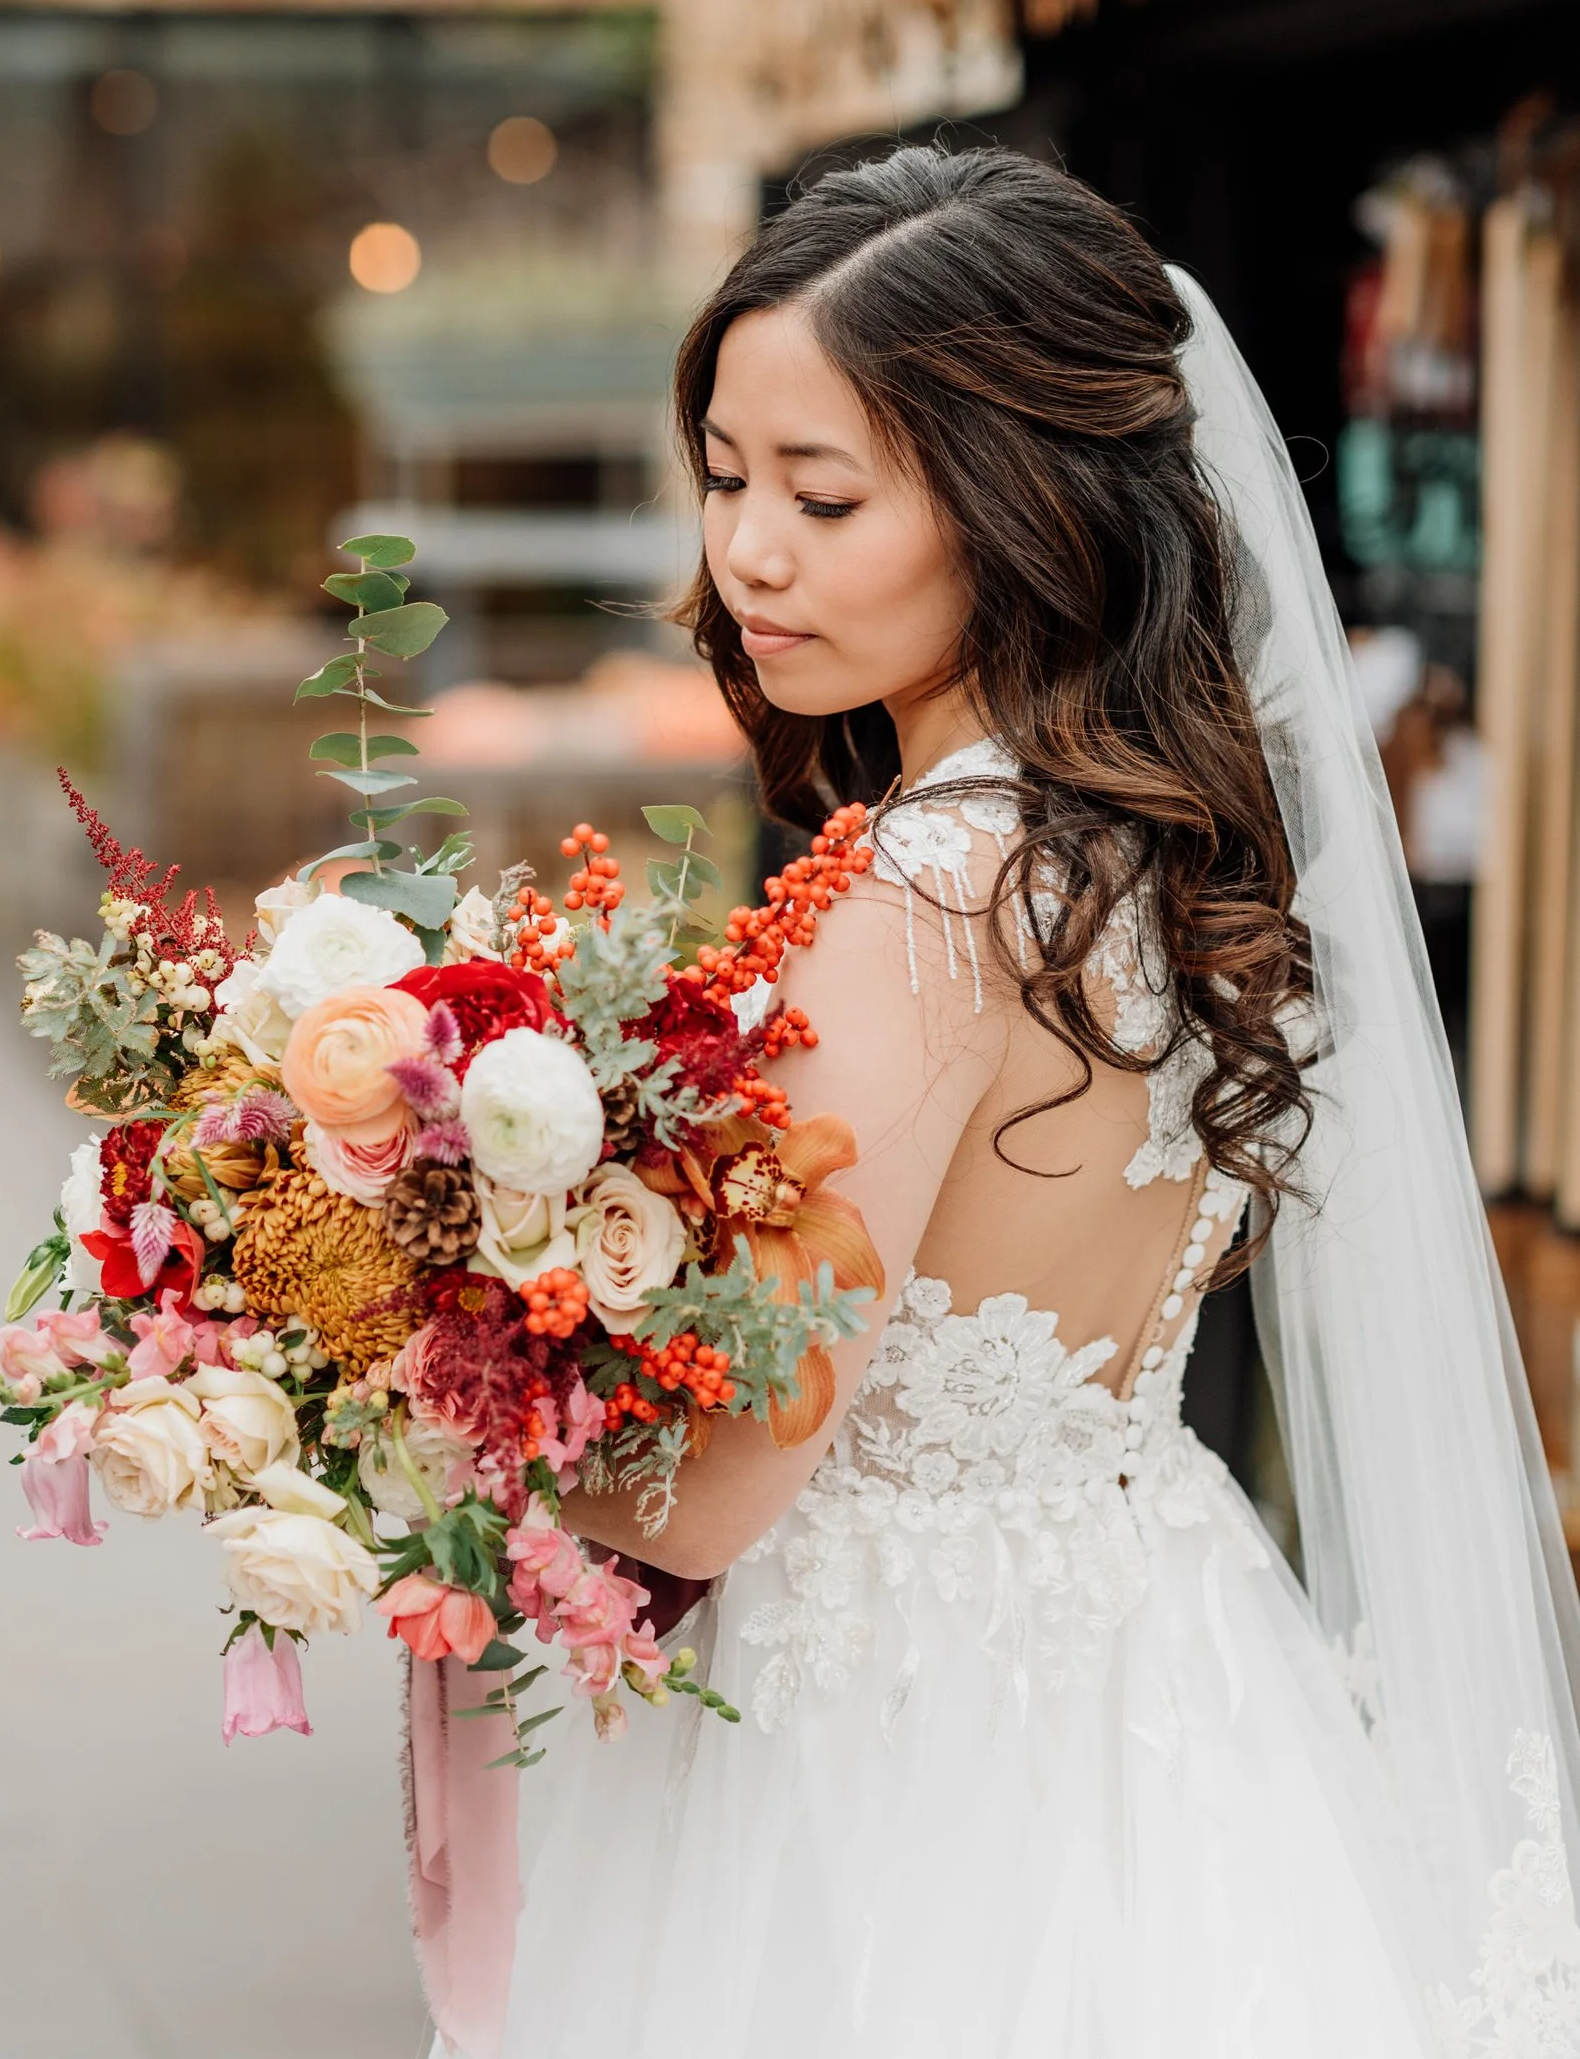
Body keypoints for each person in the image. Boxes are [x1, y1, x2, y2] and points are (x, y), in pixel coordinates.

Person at [475, 147, 1580, 2057]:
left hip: (883, 1753)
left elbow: (729, 1484)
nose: (748, 553)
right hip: (1164, 1664)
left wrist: (449, 1414)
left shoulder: (918, 895)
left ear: (1023, 504)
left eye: (823, 495)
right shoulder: (1159, 860)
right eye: (727, 478)